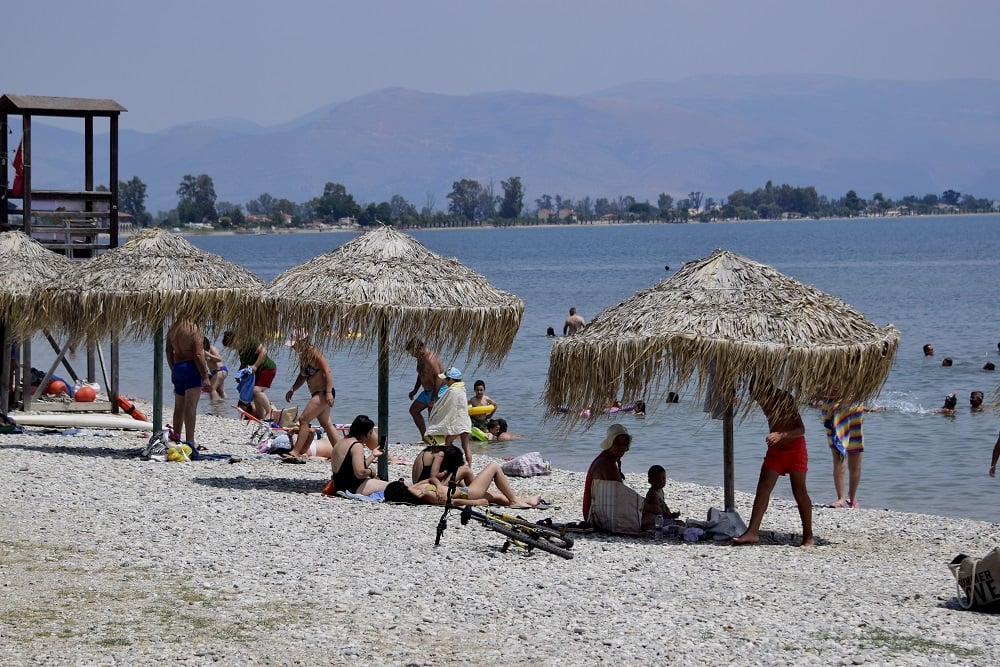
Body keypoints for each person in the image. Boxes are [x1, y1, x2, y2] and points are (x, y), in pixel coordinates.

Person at [733, 382, 813, 547]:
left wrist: (781, 435)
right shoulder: (763, 399)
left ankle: (808, 536)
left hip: (795, 449)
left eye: (761, 399)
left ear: (769, 393)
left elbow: (801, 429)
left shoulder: (785, 399)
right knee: (763, 489)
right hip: (776, 450)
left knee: (799, 492)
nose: (761, 403)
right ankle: (752, 532)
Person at [283, 331, 341, 461]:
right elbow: (303, 375)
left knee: (303, 419)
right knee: (327, 424)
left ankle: (296, 451)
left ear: (302, 342)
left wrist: (328, 392)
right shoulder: (303, 355)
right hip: (317, 393)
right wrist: (293, 389)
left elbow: (327, 371)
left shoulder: (314, 352)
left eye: (294, 344)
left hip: (323, 392)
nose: (292, 347)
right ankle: (340, 455)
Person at [386, 461, 542, 508]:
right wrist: (477, 502)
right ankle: (515, 502)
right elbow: (453, 502)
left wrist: (438, 485)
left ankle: (528, 501)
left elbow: (431, 480)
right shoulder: (424, 494)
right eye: (400, 482)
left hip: (464, 489)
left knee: (498, 497)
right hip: (469, 493)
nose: (403, 480)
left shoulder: (415, 488)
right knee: (493, 466)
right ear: (401, 487)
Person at [166, 318, 212, 451]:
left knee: (178, 406)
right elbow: (198, 354)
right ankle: (190, 441)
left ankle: (176, 437)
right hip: (191, 367)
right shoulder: (194, 328)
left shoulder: (173, 327)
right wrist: (205, 376)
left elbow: (168, 351)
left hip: (177, 367)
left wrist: (173, 368)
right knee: (190, 406)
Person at [222, 330, 277, 420]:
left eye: (232, 346)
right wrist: (239, 374)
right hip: (257, 372)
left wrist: (255, 366)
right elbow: (244, 363)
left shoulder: (251, 341)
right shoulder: (241, 349)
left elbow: (263, 352)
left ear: (236, 340)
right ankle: (262, 417)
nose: (233, 348)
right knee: (254, 394)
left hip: (267, 368)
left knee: (257, 391)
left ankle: (270, 412)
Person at [820, 398, 865, 509]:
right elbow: (819, 390)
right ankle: (841, 498)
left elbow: (863, 388)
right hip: (833, 409)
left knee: (855, 458)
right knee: (839, 456)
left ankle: (853, 498)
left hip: (854, 409)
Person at [329, 415, 388, 496]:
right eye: (370, 432)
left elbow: (352, 469)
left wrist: (373, 455)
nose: (371, 436)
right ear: (363, 433)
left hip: (339, 486)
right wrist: (371, 471)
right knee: (392, 487)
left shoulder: (341, 442)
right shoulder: (356, 446)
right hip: (353, 487)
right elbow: (360, 473)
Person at [425, 367, 473, 465]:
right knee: (466, 446)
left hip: (457, 423)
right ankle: (469, 468)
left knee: (448, 443)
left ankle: (460, 462)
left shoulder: (452, 390)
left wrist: (435, 415)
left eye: (446, 379)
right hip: (465, 421)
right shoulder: (462, 389)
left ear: (451, 380)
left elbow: (445, 406)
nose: (445, 382)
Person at [582, 423, 630, 520]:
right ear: (610, 444)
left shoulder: (605, 458)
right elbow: (622, 494)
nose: (621, 447)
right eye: (617, 443)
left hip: (595, 513)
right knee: (652, 517)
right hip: (596, 518)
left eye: (624, 444)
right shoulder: (607, 464)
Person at [406, 338, 445, 439]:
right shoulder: (420, 357)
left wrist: (432, 399)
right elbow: (421, 374)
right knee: (413, 410)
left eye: (412, 352)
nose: (412, 355)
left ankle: (437, 439)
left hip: (438, 390)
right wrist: (415, 390)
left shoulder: (430, 359)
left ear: (418, 348)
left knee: (431, 411)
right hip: (427, 391)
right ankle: (425, 438)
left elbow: (438, 378)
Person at [203, 336, 227, 402]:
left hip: (220, 370)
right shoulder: (203, 351)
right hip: (215, 372)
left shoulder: (211, 348)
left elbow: (219, 359)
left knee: (212, 389)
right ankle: (225, 406)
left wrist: (208, 354)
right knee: (220, 391)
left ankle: (215, 407)